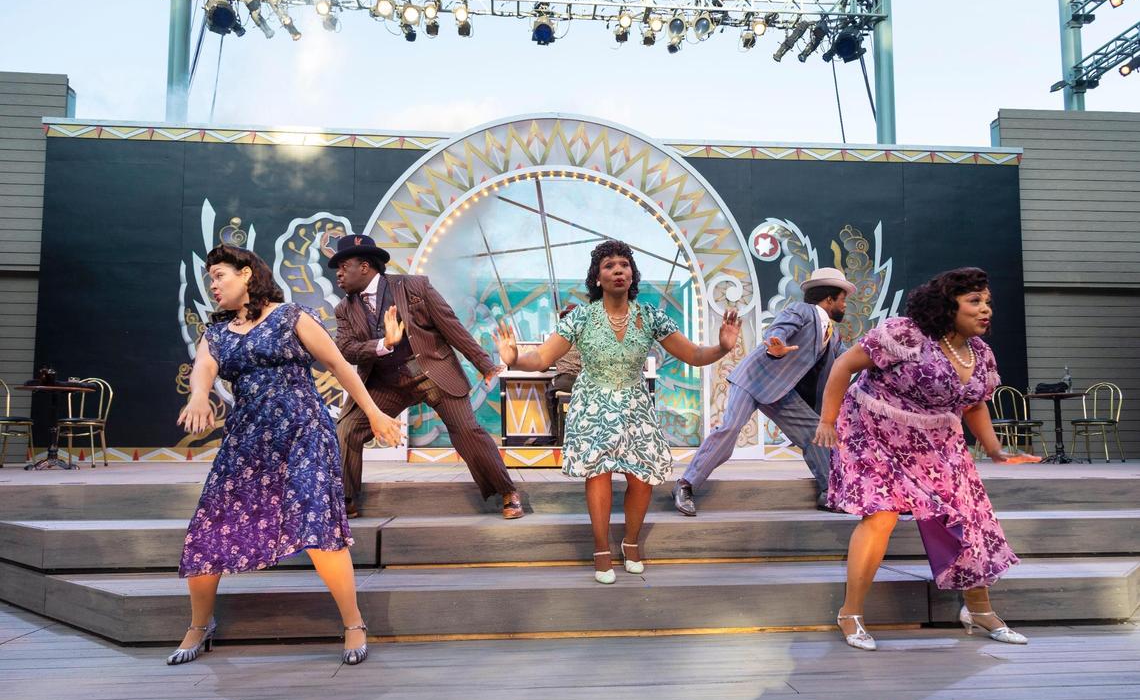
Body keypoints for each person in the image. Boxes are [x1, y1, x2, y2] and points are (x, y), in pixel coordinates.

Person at [172, 244, 402, 667]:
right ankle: (199, 625)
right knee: (209, 527)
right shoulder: (217, 332)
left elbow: (339, 365)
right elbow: (204, 368)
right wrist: (200, 396)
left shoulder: (290, 315)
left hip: (303, 432)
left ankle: (353, 623)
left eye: (220, 275)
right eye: (210, 279)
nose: (214, 285)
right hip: (248, 439)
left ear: (246, 274)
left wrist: (374, 413)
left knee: (316, 521)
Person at [494, 240, 740, 583]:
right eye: (609, 265)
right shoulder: (580, 318)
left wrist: (722, 348)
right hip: (593, 402)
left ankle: (631, 541)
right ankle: (601, 549)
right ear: (597, 277)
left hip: (635, 403)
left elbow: (695, 356)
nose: (618, 270)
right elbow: (540, 360)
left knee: (642, 478)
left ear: (632, 275)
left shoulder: (650, 316)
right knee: (599, 475)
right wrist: (514, 359)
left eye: (624, 264)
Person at [813, 267, 1029, 651]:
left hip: (936, 440)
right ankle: (851, 614)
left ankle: (978, 609)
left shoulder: (979, 354)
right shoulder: (906, 334)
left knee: (967, 516)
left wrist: (995, 450)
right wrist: (828, 420)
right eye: (975, 302)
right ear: (949, 306)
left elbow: (974, 404)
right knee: (882, 515)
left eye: (988, 302)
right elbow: (844, 366)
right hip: (875, 429)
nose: (986, 310)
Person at [331, 234, 524, 519]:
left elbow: (450, 326)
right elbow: (347, 350)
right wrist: (384, 344)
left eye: (343, 266)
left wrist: (485, 364)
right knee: (347, 429)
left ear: (364, 266)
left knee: (467, 431)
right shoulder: (344, 309)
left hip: (434, 372)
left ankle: (507, 491)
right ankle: (346, 500)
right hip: (387, 383)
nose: (337, 273)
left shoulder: (413, 286)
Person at [672, 267, 854, 516]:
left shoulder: (833, 336)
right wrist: (775, 345)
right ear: (829, 299)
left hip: (781, 391)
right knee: (730, 429)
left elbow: (850, 359)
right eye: (843, 299)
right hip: (754, 379)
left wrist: (879, 358)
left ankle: (829, 492)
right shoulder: (803, 310)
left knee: (815, 433)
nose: (845, 305)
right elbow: (779, 329)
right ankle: (686, 484)